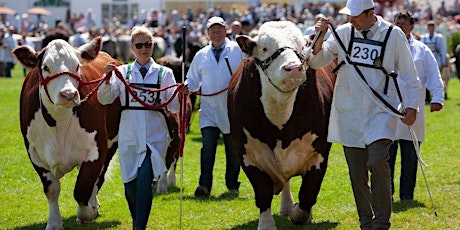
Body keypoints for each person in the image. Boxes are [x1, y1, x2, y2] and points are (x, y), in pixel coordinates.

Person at [310, 0, 422, 229]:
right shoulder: (342, 33)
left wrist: (412, 107)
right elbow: (315, 61)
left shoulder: (393, 35)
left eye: (355, 15)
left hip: (381, 110)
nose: (350, 19)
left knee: (378, 162)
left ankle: (382, 222)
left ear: (370, 13)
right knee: (356, 174)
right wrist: (320, 35)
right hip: (349, 112)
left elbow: (410, 76)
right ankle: (366, 222)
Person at [97, 25, 180, 229]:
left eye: (148, 44)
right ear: (132, 48)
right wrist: (106, 79)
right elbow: (104, 98)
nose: (145, 49)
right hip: (129, 134)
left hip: (155, 135)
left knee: (144, 180)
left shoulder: (165, 73)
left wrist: (180, 93)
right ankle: (136, 218)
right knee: (130, 187)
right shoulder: (122, 72)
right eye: (140, 45)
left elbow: (173, 106)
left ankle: (139, 226)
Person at [182, 16, 244, 197]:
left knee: (233, 151)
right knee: (207, 147)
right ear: (207, 33)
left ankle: (232, 184)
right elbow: (193, 79)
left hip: (231, 109)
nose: (216, 34)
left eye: (219, 30)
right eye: (212, 31)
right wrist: (188, 87)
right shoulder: (201, 55)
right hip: (209, 110)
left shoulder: (237, 50)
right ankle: (204, 186)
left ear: (226, 31)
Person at [389, 11, 444, 202]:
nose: (399, 27)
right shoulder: (386, 48)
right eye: (396, 23)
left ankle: (406, 196)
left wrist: (437, 97)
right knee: (386, 156)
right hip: (388, 109)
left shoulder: (422, 50)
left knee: (410, 156)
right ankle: (386, 194)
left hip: (414, 108)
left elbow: (433, 75)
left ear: (412, 26)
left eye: (403, 24)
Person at [420, 21, 448, 100]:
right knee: (425, 78)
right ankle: (427, 96)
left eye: (432, 27)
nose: (431, 29)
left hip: (436, 58)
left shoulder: (439, 37)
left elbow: (442, 50)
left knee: (437, 78)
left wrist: (443, 61)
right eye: (430, 27)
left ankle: (440, 95)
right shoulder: (424, 37)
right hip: (427, 60)